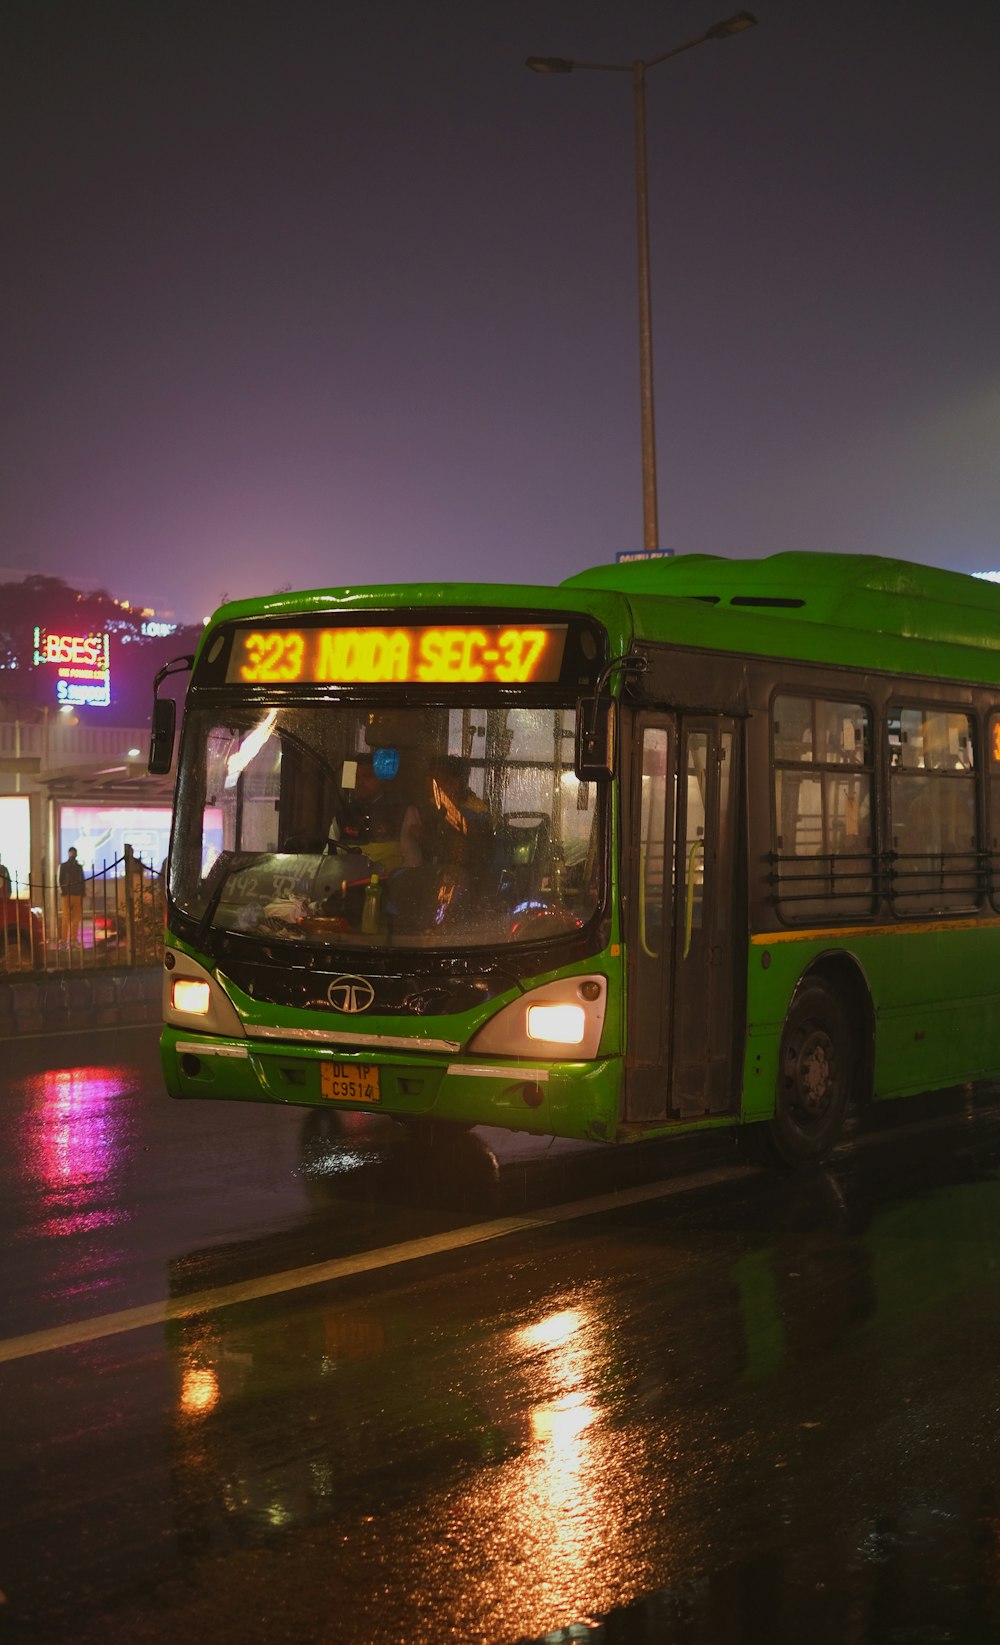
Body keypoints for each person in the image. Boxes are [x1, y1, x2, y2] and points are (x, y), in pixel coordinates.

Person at [337, 754, 422, 873]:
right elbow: (331, 856)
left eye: (367, 776)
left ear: (381, 779)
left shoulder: (403, 811)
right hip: (351, 884)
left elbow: (412, 861)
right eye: (355, 777)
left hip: (392, 885)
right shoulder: (343, 813)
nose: (360, 782)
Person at [59, 846, 85, 946]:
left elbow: (81, 880)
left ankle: (70, 939)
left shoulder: (75, 867)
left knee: (72, 918)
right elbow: (62, 880)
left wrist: (81, 893)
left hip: (73, 894)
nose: (72, 855)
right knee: (69, 918)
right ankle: (68, 939)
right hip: (71, 894)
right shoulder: (68, 866)